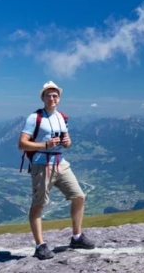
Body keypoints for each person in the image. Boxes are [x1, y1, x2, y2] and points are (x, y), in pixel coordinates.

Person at [18, 81, 95, 260]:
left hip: (61, 162)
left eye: (55, 95)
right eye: (48, 95)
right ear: (43, 98)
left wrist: (68, 143)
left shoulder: (62, 117)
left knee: (79, 196)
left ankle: (76, 237)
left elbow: (65, 142)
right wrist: (44, 144)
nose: (52, 98)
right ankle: (40, 245)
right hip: (41, 165)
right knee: (38, 205)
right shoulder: (34, 118)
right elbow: (22, 144)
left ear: (59, 98)